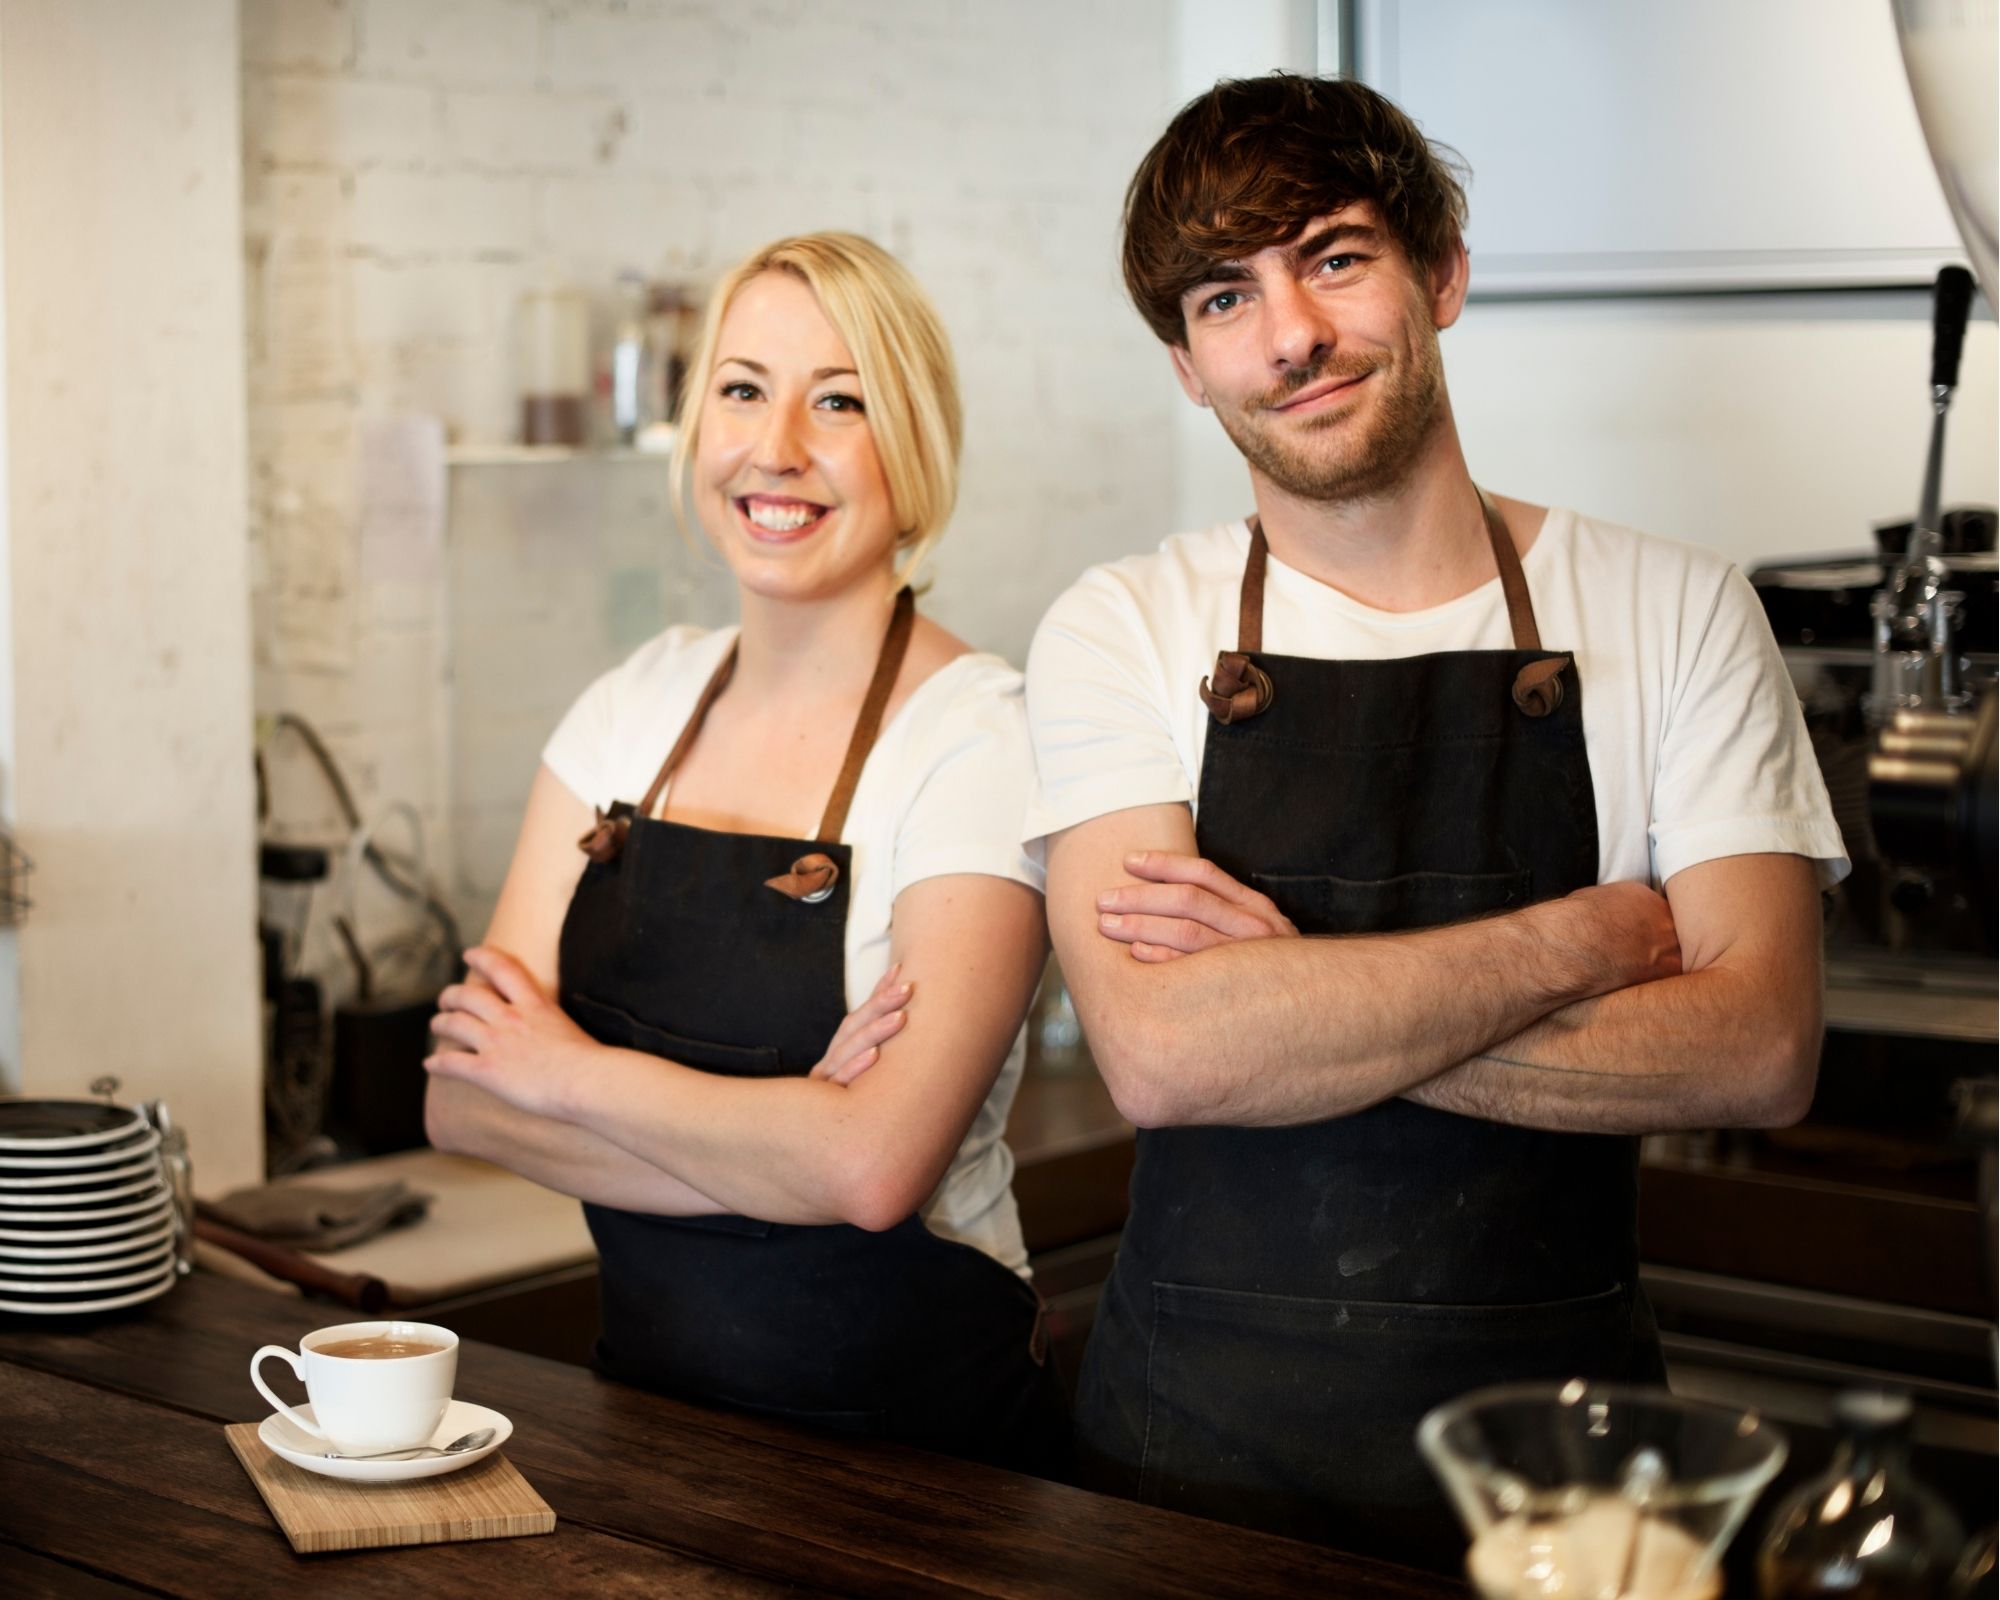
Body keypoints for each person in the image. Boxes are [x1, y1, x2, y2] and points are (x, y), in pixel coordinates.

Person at [1022, 75, 1847, 1563]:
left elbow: (1761, 1045)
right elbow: (1162, 1051)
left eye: (1335, 257)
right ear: (1187, 366)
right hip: (1187, 1469)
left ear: (1442, 270)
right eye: (1227, 299)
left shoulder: (1676, 606)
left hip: (1571, 1485)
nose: (1292, 337)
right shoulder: (1120, 625)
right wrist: (1581, 938)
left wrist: (1291, 1009)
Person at [425, 231, 1068, 1476]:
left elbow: (878, 1169)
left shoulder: (977, 737)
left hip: (932, 1472)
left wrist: (564, 1073)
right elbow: (459, 1095)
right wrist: (787, 1144)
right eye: (741, 388)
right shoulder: (632, 705)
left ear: (915, 446)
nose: (775, 447)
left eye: (839, 400)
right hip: (649, 1435)